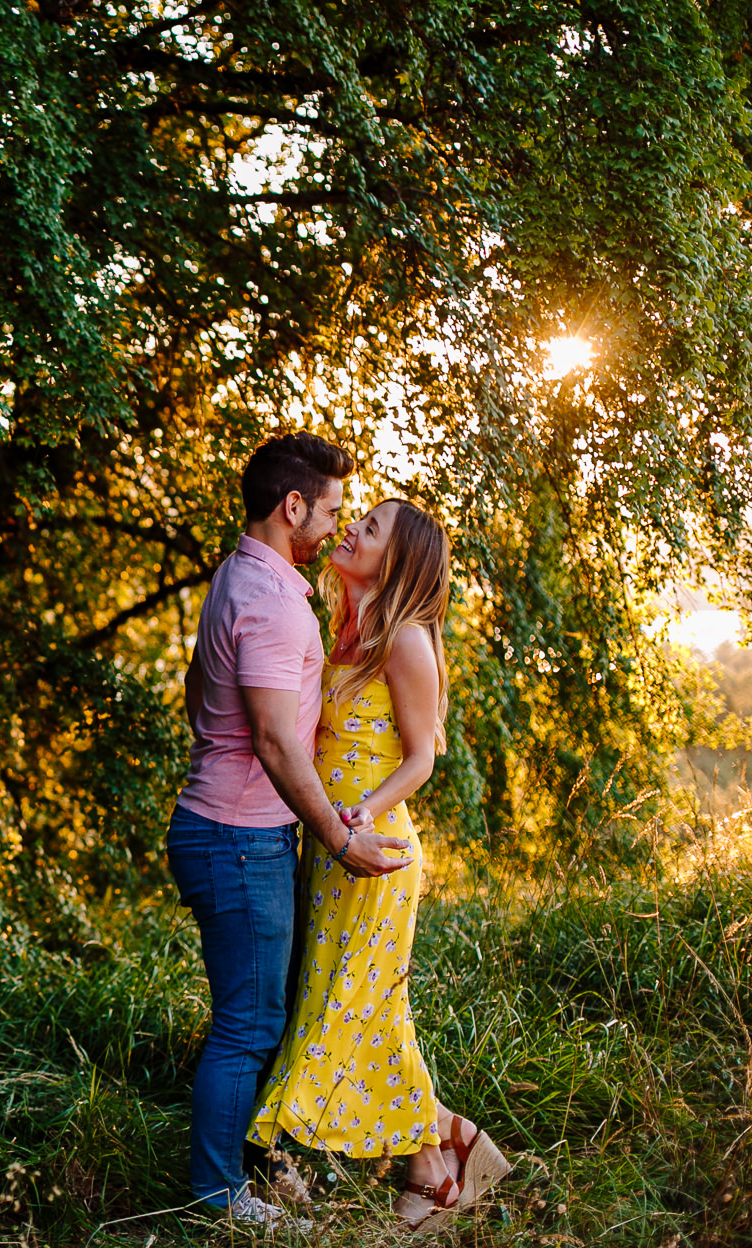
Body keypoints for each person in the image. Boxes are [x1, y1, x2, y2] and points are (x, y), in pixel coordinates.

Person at [245, 497, 511, 1234]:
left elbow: (424, 757)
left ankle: (271, 1144)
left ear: (399, 560)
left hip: (377, 854)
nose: (354, 528)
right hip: (331, 852)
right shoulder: (343, 633)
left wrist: (362, 811)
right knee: (365, 1010)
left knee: (344, 1008)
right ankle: (441, 1158)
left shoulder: (407, 641)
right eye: (358, 517)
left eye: (372, 528)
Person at [167, 433, 413, 1228]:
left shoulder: (245, 577)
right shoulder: (273, 601)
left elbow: (201, 693)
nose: (339, 524)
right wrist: (343, 841)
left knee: (258, 1016)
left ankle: (259, 1171)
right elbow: (274, 741)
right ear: (293, 506)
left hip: (226, 830)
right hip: (240, 840)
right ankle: (219, 1199)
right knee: (251, 1024)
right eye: (335, 509)